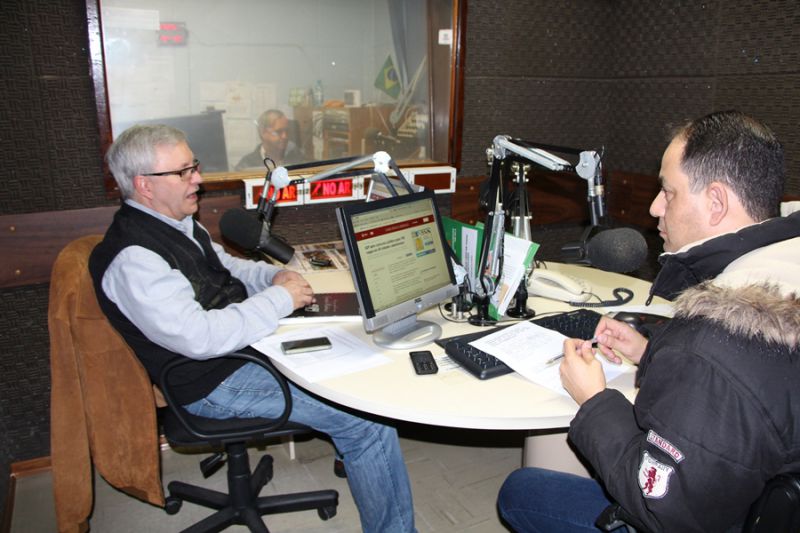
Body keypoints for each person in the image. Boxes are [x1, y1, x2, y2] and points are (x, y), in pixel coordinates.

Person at [89, 124, 416, 533]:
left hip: (241, 351)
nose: (198, 178)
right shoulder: (135, 259)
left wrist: (273, 277)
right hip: (211, 383)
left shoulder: (176, 223)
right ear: (145, 185)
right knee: (367, 423)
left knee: (357, 363)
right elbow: (200, 337)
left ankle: (355, 458)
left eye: (195, 166)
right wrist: (279, 300)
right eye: (184, 171)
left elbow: (226, 266)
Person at [497, 110, 800, 532]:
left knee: (522, 491)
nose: (655, 207)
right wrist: (650, 351)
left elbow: (662, 508)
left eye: (668, 192)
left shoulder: (715, 346)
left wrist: (594, 400)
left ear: (716, 202)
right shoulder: (782, 275)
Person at [235, 109, 306, 170]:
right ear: (263, 132)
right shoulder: (247, 165)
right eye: (279, 132)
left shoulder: (299, 159)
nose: (285, 136)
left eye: (287, 131)